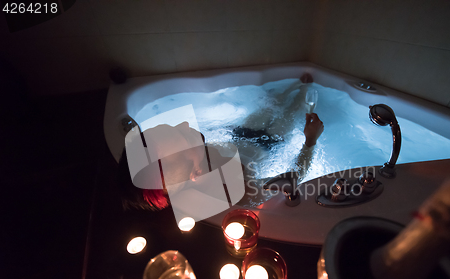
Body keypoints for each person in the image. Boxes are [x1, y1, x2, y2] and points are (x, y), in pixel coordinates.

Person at [117, 75, 324, 211]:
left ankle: (298, 85)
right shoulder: (240, 191)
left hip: (242, 133)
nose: (185, 122)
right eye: (184, 136)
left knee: (274, 103)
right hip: (268, 145)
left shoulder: (190, 166)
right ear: (195, 174)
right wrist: (310, 141)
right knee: (292, 110)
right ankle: (303, 91)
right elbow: (292, 179)